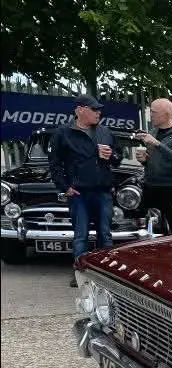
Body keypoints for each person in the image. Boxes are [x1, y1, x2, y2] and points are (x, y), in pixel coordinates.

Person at [48, 95, 122, 287]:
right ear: (80, 110)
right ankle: (81, 274)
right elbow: (54, 164)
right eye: (94, 109)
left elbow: (118, 158)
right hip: (79, 193)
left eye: (99, 110)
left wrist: (111, 155)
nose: (99, 113)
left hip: (103, 191)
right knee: (81, 235)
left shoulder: (105, 131)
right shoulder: (63, 133)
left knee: (105, 234)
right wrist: (65, 187)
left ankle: (108, 275)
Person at [134, 98, 172, 234]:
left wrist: (157, 144)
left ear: (166, 114)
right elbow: (156, 160)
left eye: (154, 112)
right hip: (150, 185)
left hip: (171, 188)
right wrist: (144, 160)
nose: (151, 115)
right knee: (150, 227)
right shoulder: (153, 132)